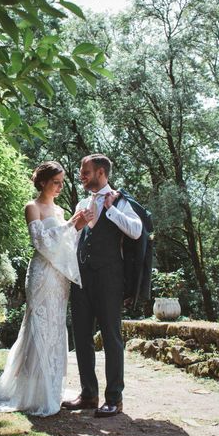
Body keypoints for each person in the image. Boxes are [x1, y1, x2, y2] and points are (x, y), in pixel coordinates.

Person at [0, 161, 93, 416]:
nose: (60, 186)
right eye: (56, 181)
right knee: (38, 325)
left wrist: (78, 228)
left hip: (59, 278)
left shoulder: (59, 210)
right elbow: (40, 242)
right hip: (40, 274)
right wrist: (72, 224)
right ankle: (29, 391)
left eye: (62, 182)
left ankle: (49, 388)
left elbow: (65, 245)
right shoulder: (32, 207)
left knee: (56, 326)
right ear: (43, 181)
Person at [62, 154, 142, 417]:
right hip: (82, 277)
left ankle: (114, 398)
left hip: (109, 279)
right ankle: (88, 394)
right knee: (82, 337)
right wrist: (77, 224)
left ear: (101, 173)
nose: (82, 176)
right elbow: (71, 241)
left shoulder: (121, 201)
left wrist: (111, 209)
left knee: (111, 337)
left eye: (86, 172)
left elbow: (136, 230)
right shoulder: (82, 202)